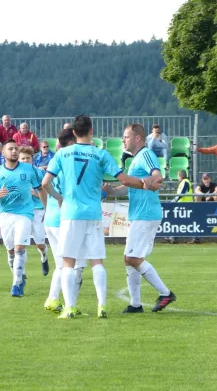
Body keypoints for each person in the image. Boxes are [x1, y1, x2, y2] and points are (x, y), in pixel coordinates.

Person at [42, 116, 158, 319]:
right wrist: (145, 183)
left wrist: (59, 198)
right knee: (97, 262)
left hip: (71, 214)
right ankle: (102, 306)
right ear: (91, 131)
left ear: (74, 132)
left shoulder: (62, 154)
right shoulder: (100, 154)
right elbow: (124, 180)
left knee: (68, 262)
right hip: (94, 214)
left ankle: (69, 307)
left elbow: (45, 183)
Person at [102, 123, 176, 313]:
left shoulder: (146, 154)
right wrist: (111, 191)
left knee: (133, 258)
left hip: (146, 214)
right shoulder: (135, 159)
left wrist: (152, 180)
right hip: (139, 214)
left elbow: (157, 176)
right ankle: (136, 304)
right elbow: (128, 188)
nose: (122, 140)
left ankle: (165, 293)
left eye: (126, 137)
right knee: (128, 259)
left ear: (137, 138)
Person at [0, 139, 46, 297]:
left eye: (16, 149)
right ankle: (19, 276)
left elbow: (41, 189)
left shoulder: (29, 169)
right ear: (3, 152)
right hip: (6, 214)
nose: (14, 151)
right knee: (10, 251)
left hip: (25, 213)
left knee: (20, 247)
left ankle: (17, 283)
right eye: (10, 149)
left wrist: (46, 208)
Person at [43, 128, 77, 313]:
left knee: (61, 264)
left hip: (50, 218)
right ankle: (70, 304)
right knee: (71, 265)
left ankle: (53, 298)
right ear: (71, 143)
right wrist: (60, 198)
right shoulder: (68, 162)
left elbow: (44, 185)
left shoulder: (54, 160)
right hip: (62, 219)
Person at [18, 146, 49, 276]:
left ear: (32, 159)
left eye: (28, 158)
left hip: (38, 210)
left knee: (40, 244)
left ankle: (44, 257)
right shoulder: (14, 173)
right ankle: (21, 272)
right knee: (20, 244)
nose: (25, 160)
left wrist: (36, 194)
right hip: (22, 212)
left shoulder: (39, 173)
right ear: (18, 159)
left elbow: (46, 191)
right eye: (23, 158)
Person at [166, 170, 196, 244]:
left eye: (178, 176)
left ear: (180, 176)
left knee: (187, 222)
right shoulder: (184, 182)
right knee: (179, 221)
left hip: (185, 205)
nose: (178, 177)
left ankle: (196, 238)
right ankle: (173, 238)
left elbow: (182, 193)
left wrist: (174, 200)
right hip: (183, 204)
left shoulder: (185, 182)